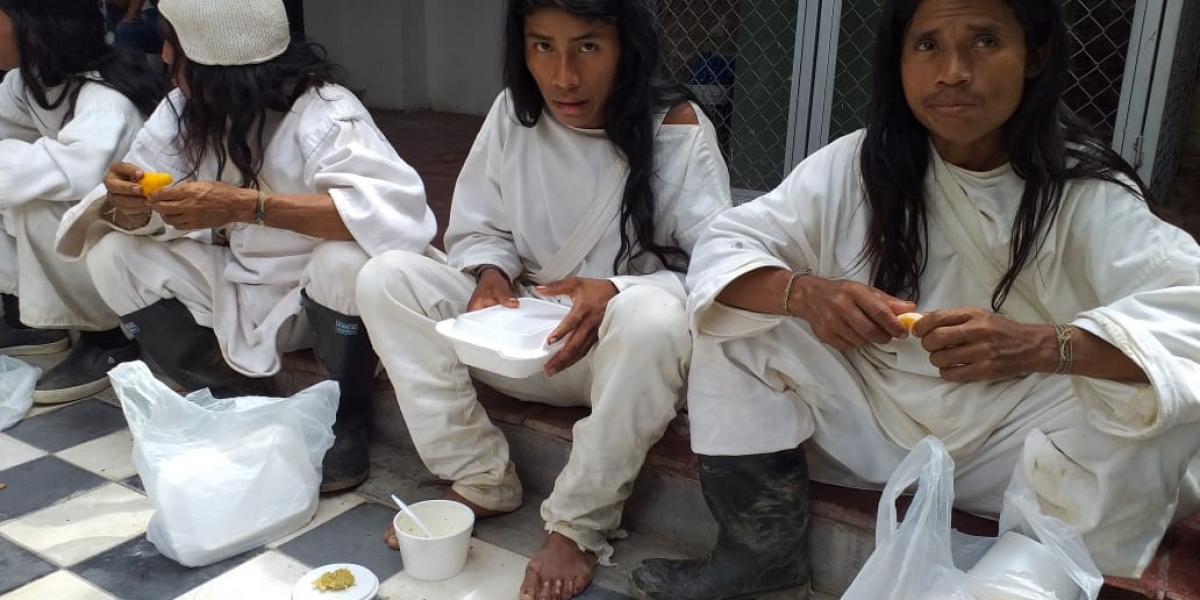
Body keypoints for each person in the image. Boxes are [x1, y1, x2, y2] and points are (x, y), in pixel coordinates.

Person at [629, 0, 1200, 598]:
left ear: (1034, 56)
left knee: (1156, 396)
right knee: (739, 321)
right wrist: (808, 294)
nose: (953, 71)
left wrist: (1041, 347)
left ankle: (1027, 571)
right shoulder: (858, 161)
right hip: (870, 421)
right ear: (900, 63)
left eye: (983, 42)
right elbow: (729, 243)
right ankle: (759, 552)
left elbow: (1187, 320)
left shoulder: (1085, 192)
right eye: (928, 45)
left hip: (1016, 450)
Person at [355, 0, 732, 598]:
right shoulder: (514, 113)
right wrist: (490, 276)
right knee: (386, 277)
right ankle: (478, 475)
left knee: (656, 318)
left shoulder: (678, 130)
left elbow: (717, 275)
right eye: (542, 46)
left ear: (626, 47)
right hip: (514, 340)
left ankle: (580, 525)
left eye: (587, 46)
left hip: (613, 361)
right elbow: (479, 228)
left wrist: (616, 290)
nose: (563, 76)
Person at [55, 0, 436, 492]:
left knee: (348, 261)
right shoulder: (181, 110)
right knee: (112, 255)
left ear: (219, 60)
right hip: (234, 283)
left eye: (175, 43)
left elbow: (395, 217)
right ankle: (229, 398)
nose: (165, 56)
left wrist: (247, 206)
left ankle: (344, 420)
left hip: (313, 299)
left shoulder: (326, 114)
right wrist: (127, 202)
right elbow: (141, 203)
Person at [0, 0, 160, 404]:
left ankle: (108, 339)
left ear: (35, 29)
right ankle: (32, 322)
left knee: (37, 203)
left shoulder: (105, 97)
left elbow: (78, 172)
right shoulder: (29, 80)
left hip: (140, 237)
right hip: (95, 222)